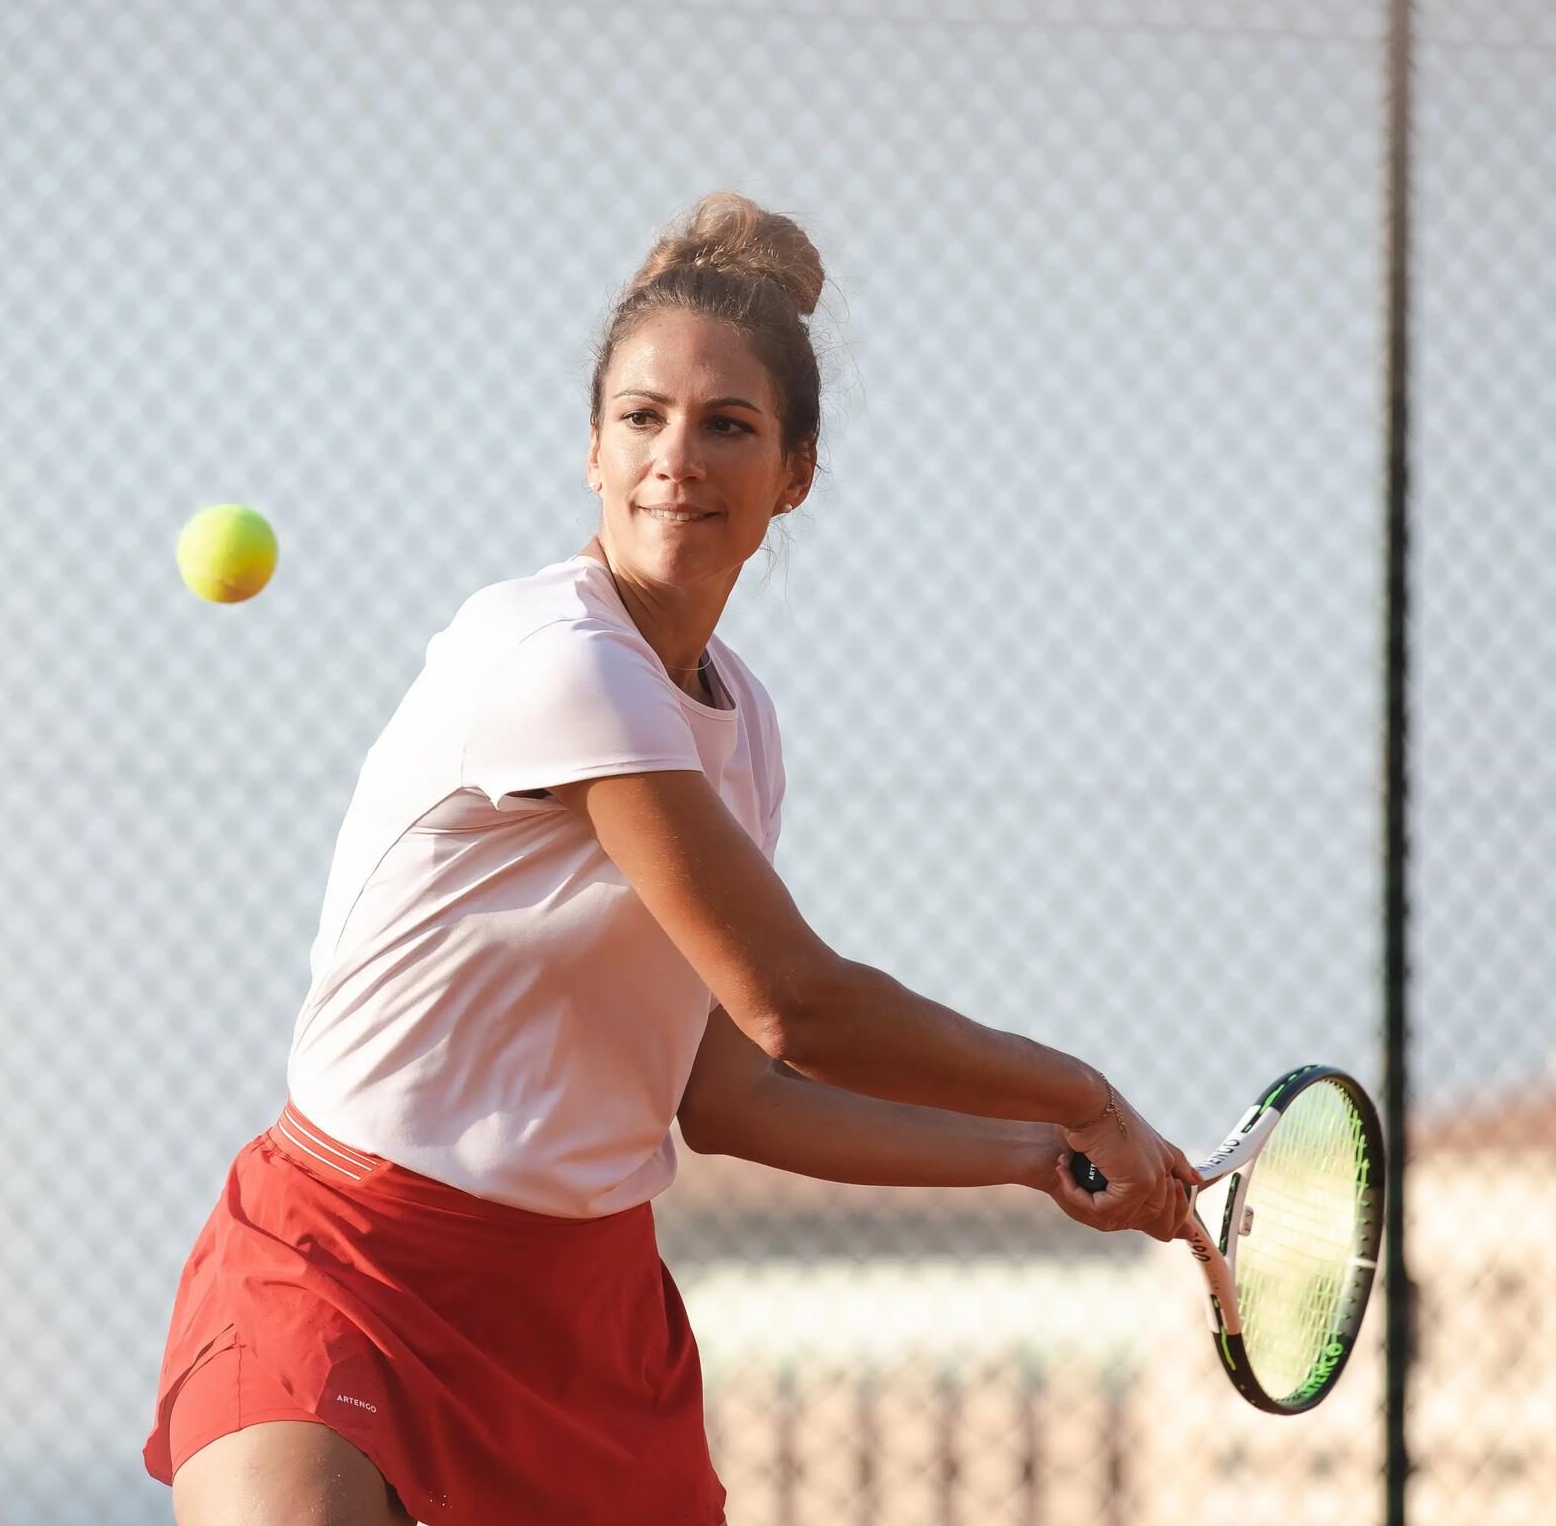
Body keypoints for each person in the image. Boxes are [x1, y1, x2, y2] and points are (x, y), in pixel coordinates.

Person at [142, 192, 1199, 1526]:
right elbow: (794, 1001)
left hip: (588, 1328)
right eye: (641, 419)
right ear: (591, 449)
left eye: (728, 426)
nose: (676, 458)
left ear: (795, 475)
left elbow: (728, 1094)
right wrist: (1088, 1091)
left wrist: (1033, 1152)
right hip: (347, 1266)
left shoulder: (741, 727)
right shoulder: (556, 660)